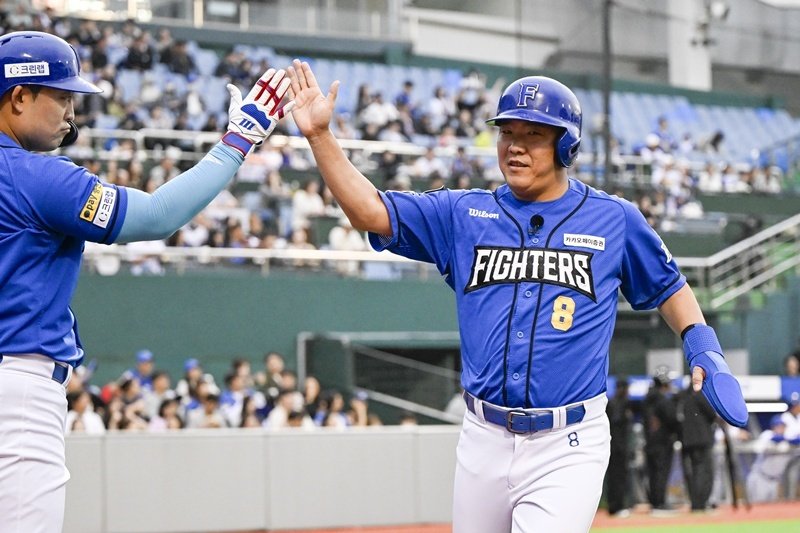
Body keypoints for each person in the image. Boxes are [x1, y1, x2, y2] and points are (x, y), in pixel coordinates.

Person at [287, 60, 747, 532]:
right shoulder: (464, 213)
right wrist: (321, 136)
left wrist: (703, 345)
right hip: (482, 437)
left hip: (568, 441)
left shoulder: (614, 219)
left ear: (566, 144)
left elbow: (669, 285)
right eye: (508, 133)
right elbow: (370, 212)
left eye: (534, 135)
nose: (516, 147)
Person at [0, 31, 292, 533]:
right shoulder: (37, 177)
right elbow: (157, 216)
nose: (72, 112)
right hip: (17, 390)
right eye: (63, 96)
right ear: (20, 96)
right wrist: (240, 139)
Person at [642, 371, 680, 515]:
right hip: (662, 442)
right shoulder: (663, 401)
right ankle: (659, 503)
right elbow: (672, 420)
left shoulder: (646, 399)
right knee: (661, 473)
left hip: (650, 442)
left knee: (653, 474)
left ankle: (655, 502)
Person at [676, 383, 718, 512]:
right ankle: (701, 503)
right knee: (703, 471)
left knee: (692, 472)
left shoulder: (682, 396)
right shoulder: (701, 395)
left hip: (687, 440)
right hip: (702, 440)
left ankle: (695, 502)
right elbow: (712, 414)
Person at [605, 378, 633, 518]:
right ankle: (617, 506)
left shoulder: (614, 402)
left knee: (615, 477)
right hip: (617, 447)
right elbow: (616, 424)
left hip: (613, 446)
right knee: (618, 477)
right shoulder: (618, 404)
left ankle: (614, 506)